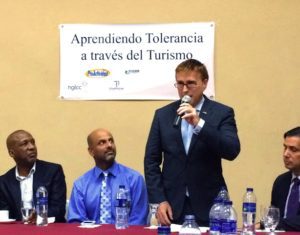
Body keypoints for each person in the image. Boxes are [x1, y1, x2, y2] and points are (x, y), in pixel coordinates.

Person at [144, 58, 240, 226]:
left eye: (190, 83)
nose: (184, 90)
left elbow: (231, 150)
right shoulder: (163, 115)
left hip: (210, 204)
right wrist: (159, 200)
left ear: (204, 83)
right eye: (180, 84)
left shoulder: (222, 113)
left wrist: (199, 123)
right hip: (172, 205)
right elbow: (151, 161)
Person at [67, 128, 148, 225]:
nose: (109, 145)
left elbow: (138, 221)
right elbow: (76, 222)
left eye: (111, 141)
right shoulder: (81, 184)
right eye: (102, 143)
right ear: (91, 151)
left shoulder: (134, 179)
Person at [0, 130, 67, 223]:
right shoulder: (4, 182)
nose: (31, 147)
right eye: (24, 144)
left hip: (48, 228)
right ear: (12, 153)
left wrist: (40, 215)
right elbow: (4, 215)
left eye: (33, 142)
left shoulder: (53, 171)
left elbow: (59, 210)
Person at [271, 126, 300, 231]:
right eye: (285, 147)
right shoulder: (281, 181)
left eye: (293, 149)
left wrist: (264, 224)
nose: (285, 154)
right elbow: (273, 216)